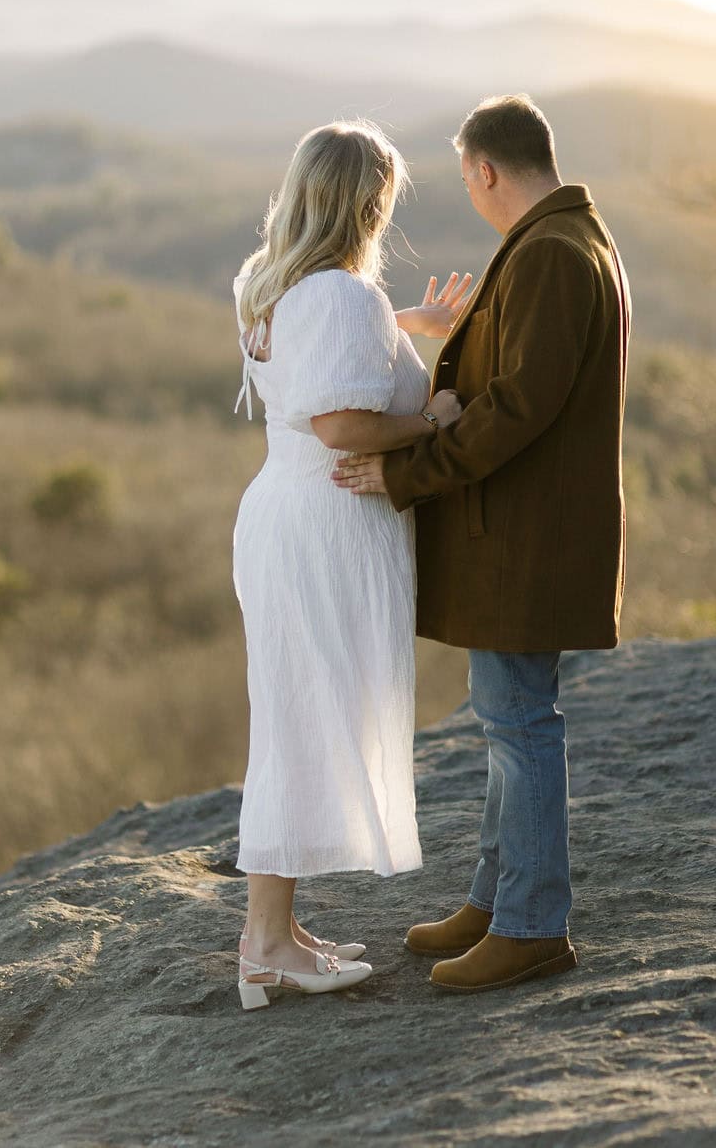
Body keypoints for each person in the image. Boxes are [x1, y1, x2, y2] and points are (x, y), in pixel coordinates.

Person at [333, 93, 631, 994]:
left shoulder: (548, 252)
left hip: (527, 537)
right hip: (528, 533)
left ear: (485, 171)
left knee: (519, 724)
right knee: (508, 719)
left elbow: (517, 408)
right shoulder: (572, 239)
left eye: (467, 180)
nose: (471, 192)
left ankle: (533, 922)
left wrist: (408, 470)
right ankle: (497, 899)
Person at [230, 119, 472, 1011]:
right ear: (370, 202)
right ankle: (264, 943)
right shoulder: (341, 296)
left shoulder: (270, 281)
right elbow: (340, 424)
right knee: (302, 721)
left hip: (284, 518)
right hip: (325, 524)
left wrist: (408, 325)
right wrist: (433, 419)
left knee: (295, 714)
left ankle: (279, 932)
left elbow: (307, 370)